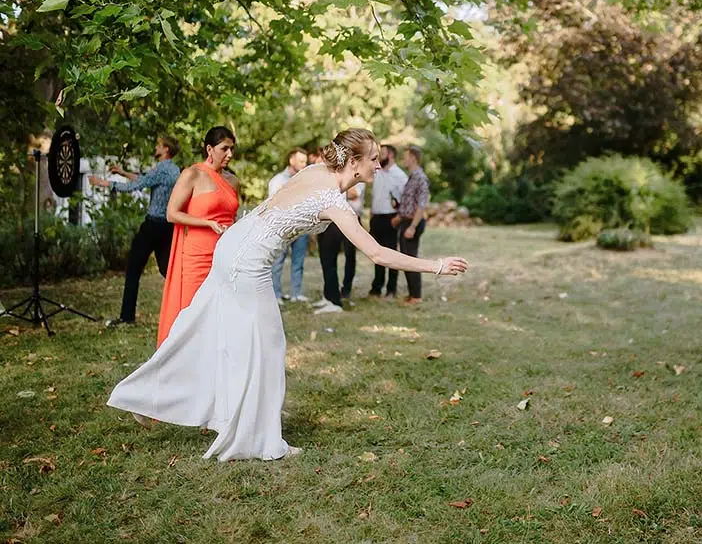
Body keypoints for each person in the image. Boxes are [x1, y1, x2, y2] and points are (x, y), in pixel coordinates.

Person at [106, 128, 468, 461]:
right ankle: (260, 440)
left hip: (232, 243)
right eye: (373, 158)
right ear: (354, 162)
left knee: (201, 327)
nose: (378, 164)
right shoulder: (333, 201)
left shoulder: (315, 172)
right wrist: (436, 266)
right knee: (267, 345)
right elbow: (377, 253)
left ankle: (146, 396)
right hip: (249, 261)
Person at [157, 127, 240, 346]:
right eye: (224, 149)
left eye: (232, 149)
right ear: (209, 149)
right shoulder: (192, 174)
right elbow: (172, 214)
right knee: (193, 312)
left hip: (225, 253)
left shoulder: (233, 181)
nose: (230, 154)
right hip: (197, 255)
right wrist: (207, 223)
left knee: (221, 311)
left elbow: (232, 217)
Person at [89, 136, 181, 326]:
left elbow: (136, 186)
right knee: (168, 270)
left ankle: (127, 317)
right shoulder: (174, 170)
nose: (156, 147)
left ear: (166, 149)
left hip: (152, 226)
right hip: (168, 227)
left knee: (133, 269)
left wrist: (103, 183)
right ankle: (184, 308)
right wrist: (123, 172)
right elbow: (147, 180)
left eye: (159, 145)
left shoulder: (162, 168)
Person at [313, 181, 365, 314]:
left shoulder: (354, 175)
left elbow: (353, 194)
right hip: (328, 220)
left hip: (348, 219)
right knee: (327, 259)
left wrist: (332, 187)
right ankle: (328, 296)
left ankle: (337, 299)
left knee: (346, 257)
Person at [268, 148, 310, 304]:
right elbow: (273, 205)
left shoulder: (306, 180)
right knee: (277, 262)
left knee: (298, 262)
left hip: (302, 227)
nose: (304, 164)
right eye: (301, 161)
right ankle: (276, 295)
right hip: (283, 228)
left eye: (305, 162)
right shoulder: (278, 180)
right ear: (291, 161)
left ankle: (296, 294)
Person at [369, 144, 408, 298]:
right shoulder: (377, 172)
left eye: (383, 153)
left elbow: (406, 200)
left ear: (391, 155)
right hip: (376, 218)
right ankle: (376, 287)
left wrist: (398, 218)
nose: (379, 156)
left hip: (391, 218)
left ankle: (391, 289)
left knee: (391, 253)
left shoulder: (400, 175)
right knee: (376, 252)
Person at [393, 145, 430, 304]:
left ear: (413, 158)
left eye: (405, 156)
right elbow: (409, 203)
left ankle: (416, 296)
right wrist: (400, 216)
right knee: (406, 258)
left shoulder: (420, 178)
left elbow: (421, 205)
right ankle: (412, 294)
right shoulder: (411, 177)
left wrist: (412, 227)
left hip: (413, 223)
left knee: (411, 258)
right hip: (406, 221)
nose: (403, 159)